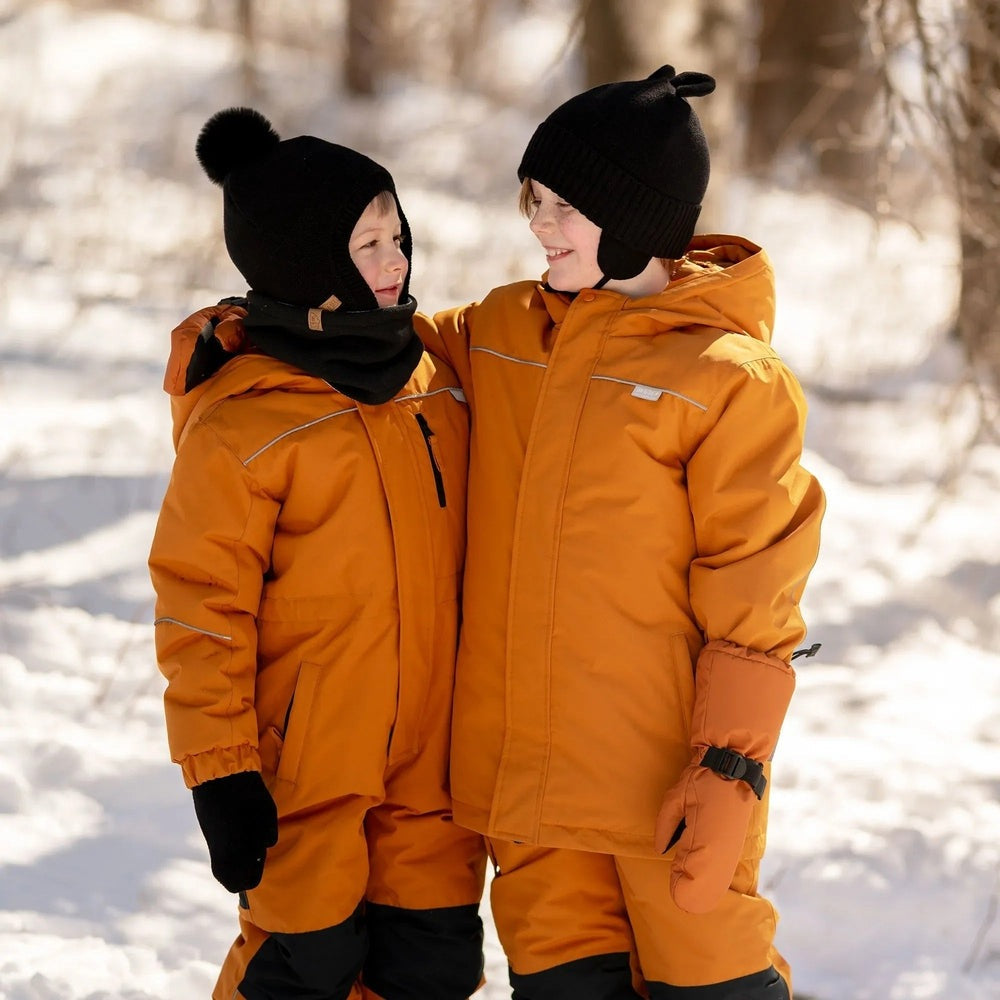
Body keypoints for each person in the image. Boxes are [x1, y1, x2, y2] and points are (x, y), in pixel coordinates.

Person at [415, 66, 826, 999]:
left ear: (637, 219)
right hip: (529, 795)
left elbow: (754, 590)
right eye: (535, 200)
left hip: (665, 794)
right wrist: (263, 329)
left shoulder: (728, 378)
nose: (540, 226)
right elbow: (371, 358)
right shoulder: (499, 331)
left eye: (567, 206)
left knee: (713, 982)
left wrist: (728, 767)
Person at [147, 107, 485, 1000]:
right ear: (306, 263)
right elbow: (199, 607)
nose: (395, 261)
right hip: (304, 767)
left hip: (433, 774)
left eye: (396, 234)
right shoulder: (247, 427)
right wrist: (219, 773)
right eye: (366, 244)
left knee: (434, 965)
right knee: (308, 967)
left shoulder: (436, 382)